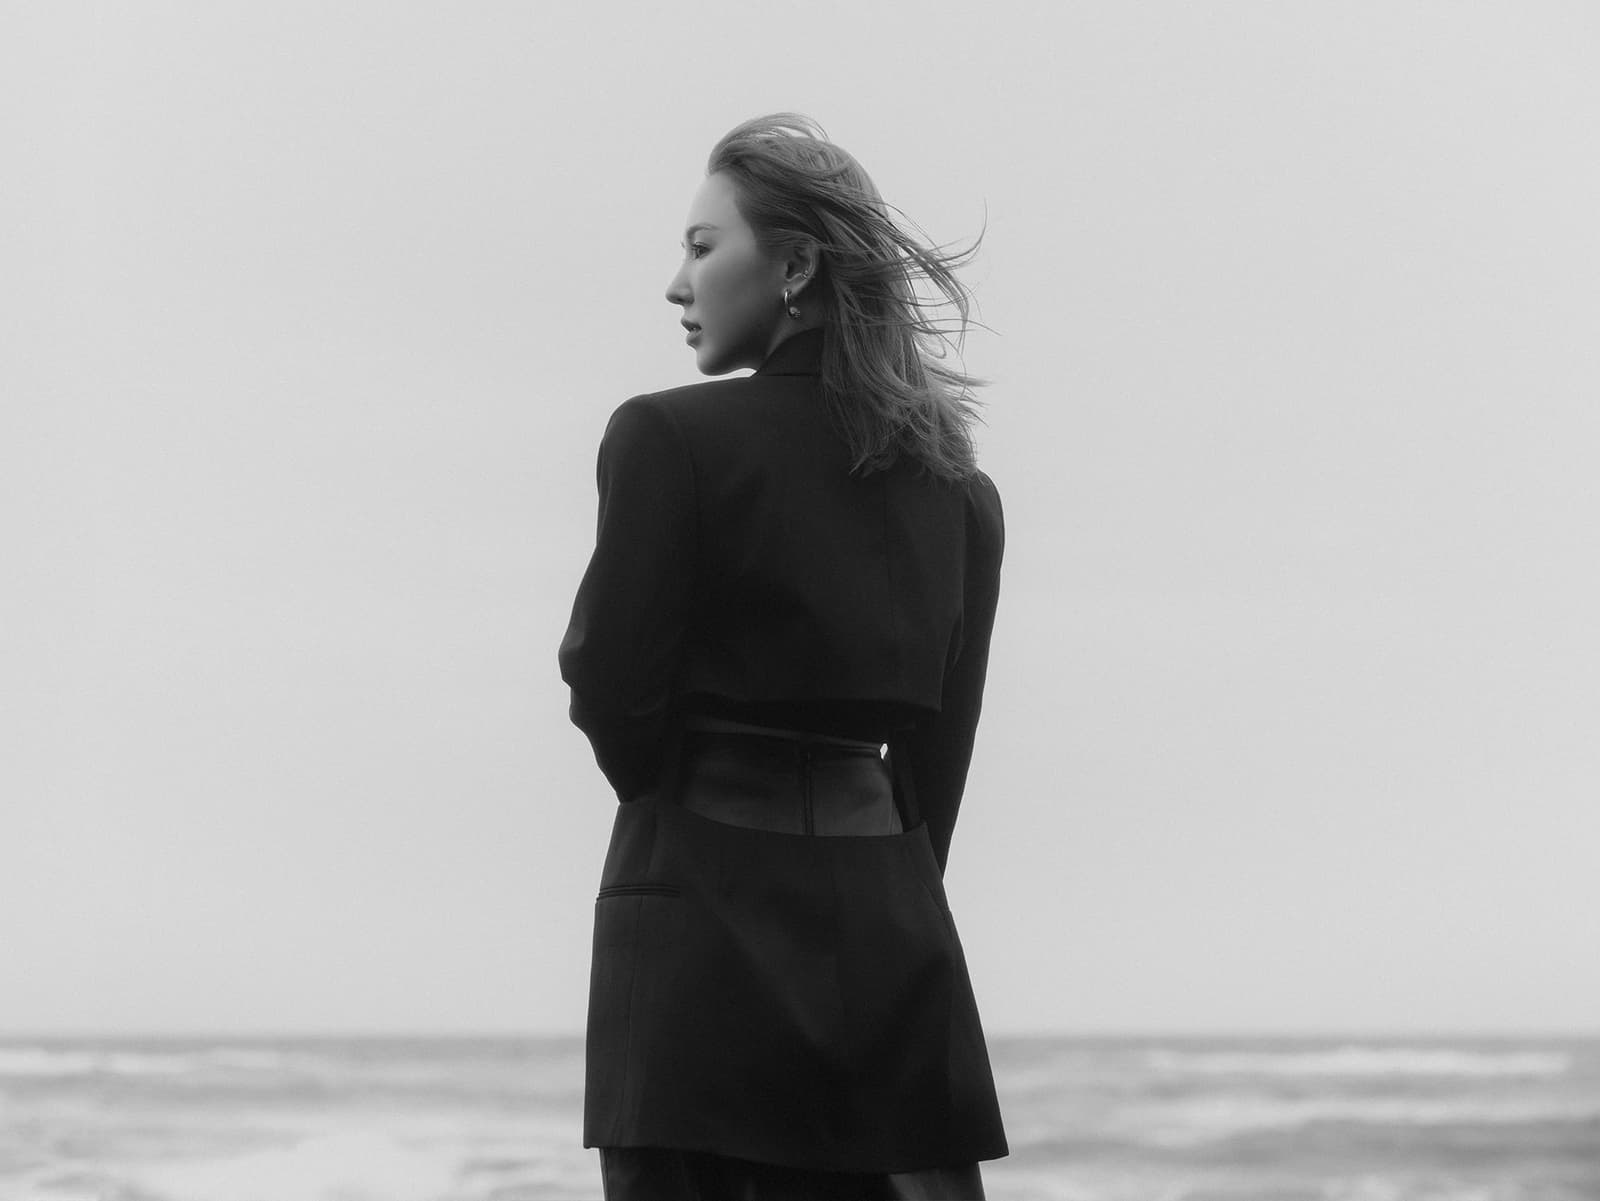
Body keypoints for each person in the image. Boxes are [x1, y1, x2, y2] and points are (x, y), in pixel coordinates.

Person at [559, 114, 1007, 1201]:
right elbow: (939, 760)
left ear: (796, 266)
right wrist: (882, 883)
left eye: (702, 246)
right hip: (890, 922)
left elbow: (609, 684)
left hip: (693, 918)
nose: (678, 283)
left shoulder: (665, 438)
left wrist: (685, 815)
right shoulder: (960, 491)